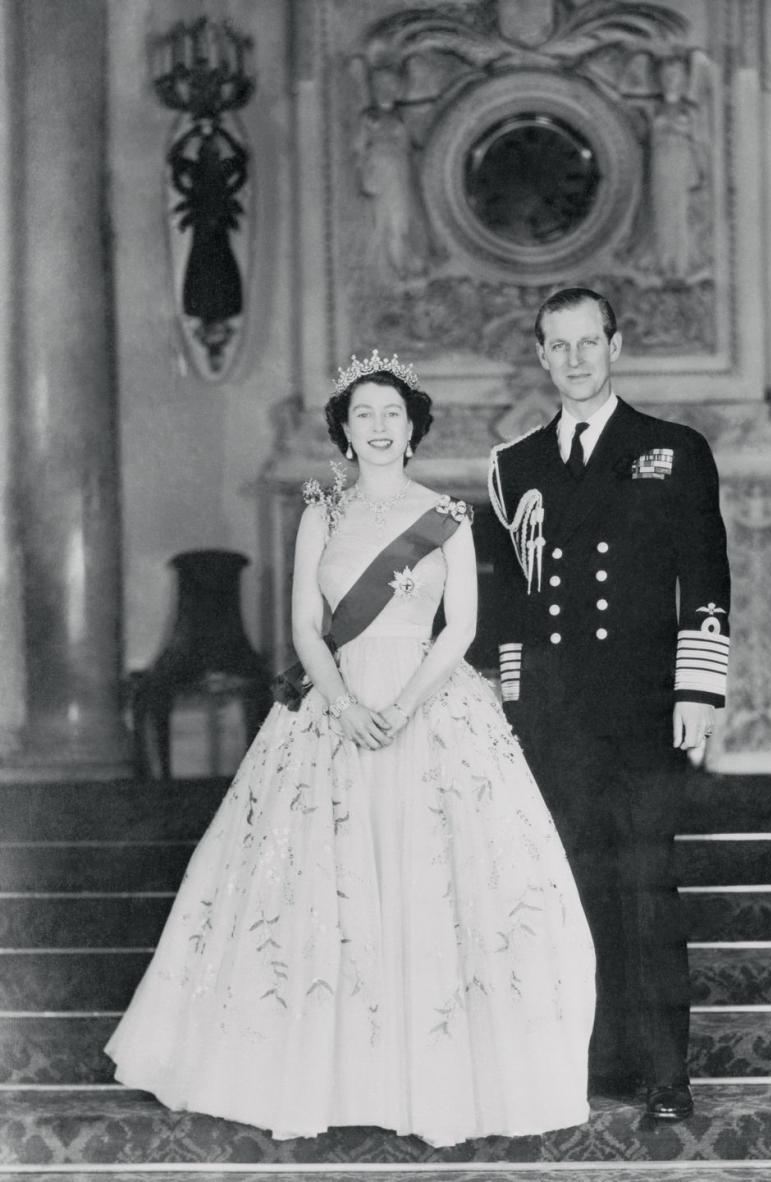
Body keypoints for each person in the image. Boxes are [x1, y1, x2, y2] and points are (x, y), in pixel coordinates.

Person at [106, 350, 595, 1148]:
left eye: (390, 415)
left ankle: (430, 1077)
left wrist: (401, 707)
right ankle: (327, 1075)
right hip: (333, 705)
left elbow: (463, 627)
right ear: (345, 430)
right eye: (362, 414)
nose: (377, 428)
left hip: (428, 700)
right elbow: (304, 625)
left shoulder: (449, 517)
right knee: (318, 890)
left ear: (412, 431)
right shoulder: (320, 515)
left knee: (428, 886)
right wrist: (343, 704)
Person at [487, 288, 730, 1122]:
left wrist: (699, 686)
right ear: (543, 356)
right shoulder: (513, 464)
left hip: (643, 701)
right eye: (560, 345)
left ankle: (665, 1072)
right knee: (574, 882)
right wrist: (512, 704)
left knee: (647, 880)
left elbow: (704, 576)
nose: (577, 358)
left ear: (616, 347)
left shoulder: (671, 449)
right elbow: (512, 601)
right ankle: (598, 1058)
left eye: (591, 342)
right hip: (554, 710)